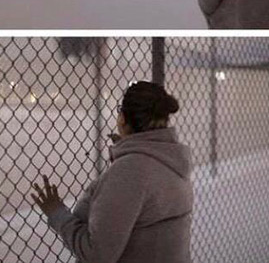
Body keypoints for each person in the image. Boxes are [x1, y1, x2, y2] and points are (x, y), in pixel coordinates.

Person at [31, 81, 193, 263]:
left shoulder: (130, 172)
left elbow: (97, 254)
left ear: (122, 118)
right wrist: (128, 151)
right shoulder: (170, 160)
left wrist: (56, 212)